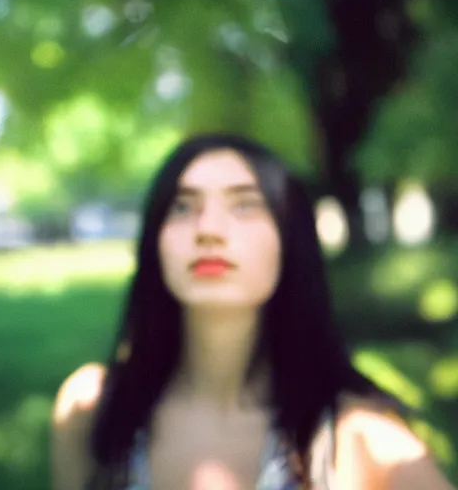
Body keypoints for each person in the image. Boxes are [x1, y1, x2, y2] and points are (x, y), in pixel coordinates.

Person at [51, 134, 456, 490]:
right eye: (182, 206)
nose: (208, 229)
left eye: (245, 205)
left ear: (291, 240)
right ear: (154, 241)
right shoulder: (92, 408)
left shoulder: (355, 436)